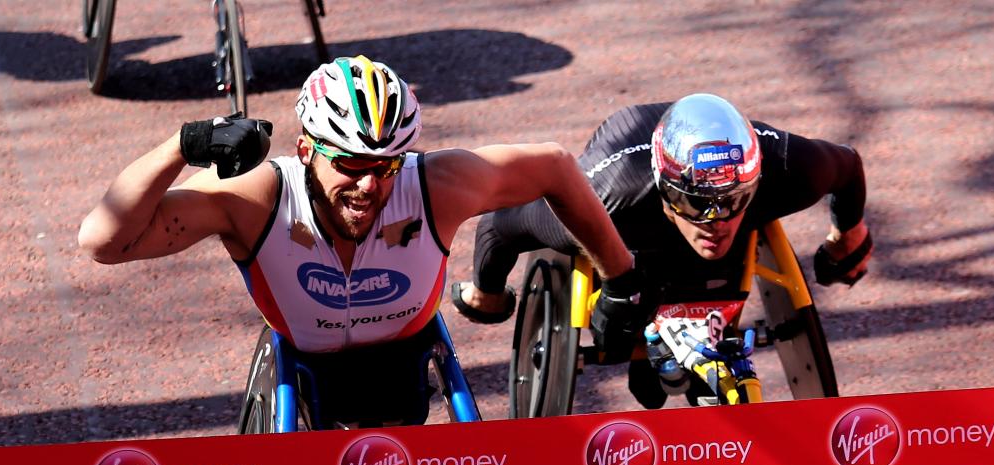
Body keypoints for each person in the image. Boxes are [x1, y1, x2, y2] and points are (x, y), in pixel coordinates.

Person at [78, 55, 641, 425]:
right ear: (306, 151)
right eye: (349, 162)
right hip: (307, 364)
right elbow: (104, 240)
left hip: (405, 362)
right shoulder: (257, 197)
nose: (369, 185)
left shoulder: (436, 186)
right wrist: (182, 145)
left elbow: (556, 167)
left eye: (387, 164)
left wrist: (620, 276)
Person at [451, 93, 872, 407]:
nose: (716, 222)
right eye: (696, 205)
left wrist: (848, 240)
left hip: (704, 173)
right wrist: (487, 295)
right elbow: (500, 225)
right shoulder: (609, 192)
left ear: (755, 182)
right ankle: (647, 341)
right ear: (668, 190)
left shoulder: (789, 166)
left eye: (734, 201)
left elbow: (849, 165)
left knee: (715, 247)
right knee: (624, 306)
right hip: (631, 200)